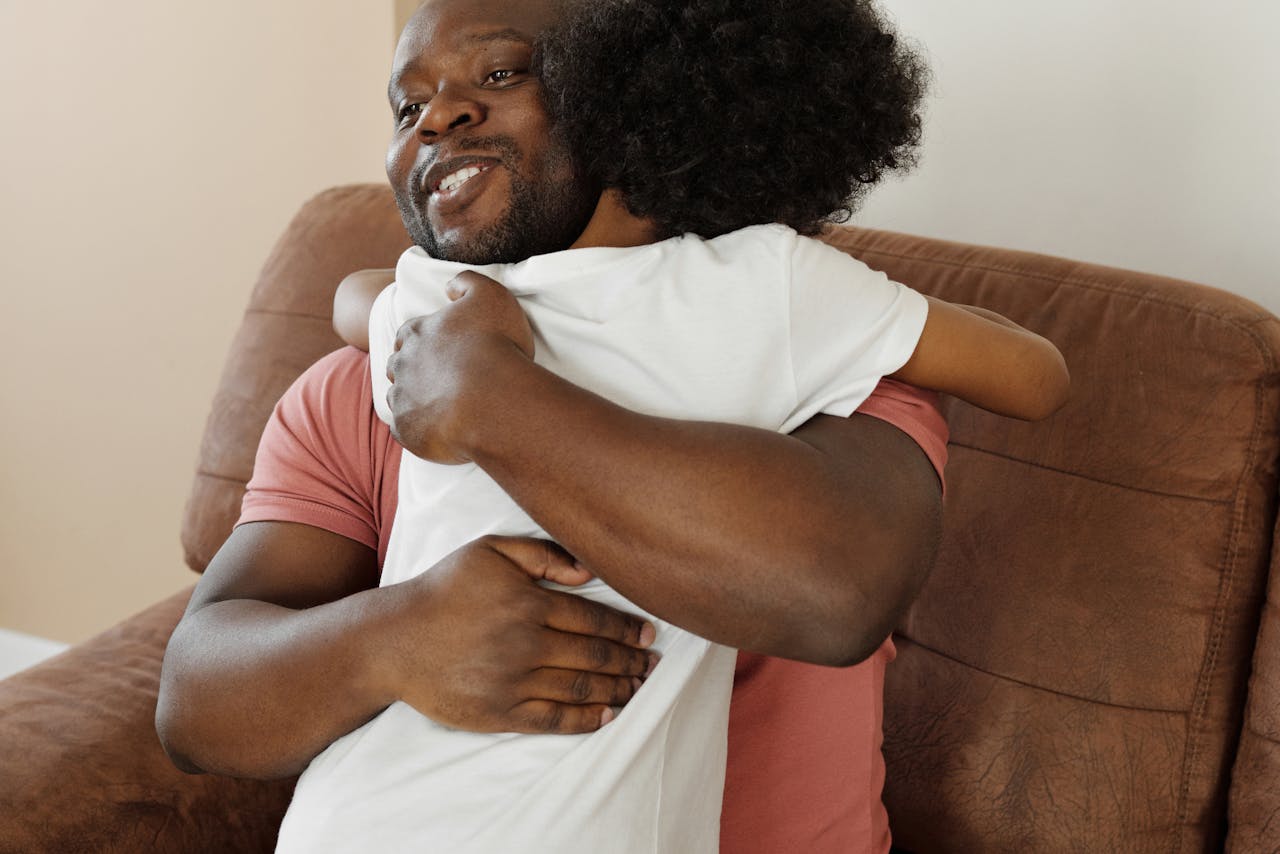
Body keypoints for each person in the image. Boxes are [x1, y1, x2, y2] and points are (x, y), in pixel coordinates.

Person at [153, 0, 983, 851]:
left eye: (504, 72)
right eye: (407, 108)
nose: (438, 116)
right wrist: (389, 640)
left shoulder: (819, 358)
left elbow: (834, 599)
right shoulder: (360, 388)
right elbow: (195, 706)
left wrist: (493, 403)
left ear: (632, 100)